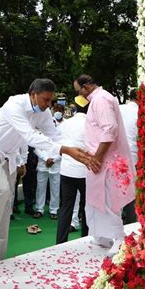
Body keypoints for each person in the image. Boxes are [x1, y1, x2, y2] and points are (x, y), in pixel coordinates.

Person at [0, 77, 97, 260]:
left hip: (8, 154)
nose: (48, 105)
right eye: (45, 100)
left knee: (7, 202)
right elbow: (30, 137)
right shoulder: (13, 104)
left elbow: (55, 135)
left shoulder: (44, 112)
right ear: (33, 94)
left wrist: (76, 151)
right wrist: (66, 150)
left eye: (50, 101)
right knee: (2, 190)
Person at [74, 74, 135, 256]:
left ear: (86, 87)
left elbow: (110, 130)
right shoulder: (99, 99)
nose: (79, 97)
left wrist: (98, 157)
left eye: (78, 92)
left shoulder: (101, 99)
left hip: (106, 161)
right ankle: (103, 235)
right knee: (95, 200)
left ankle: (119, 238)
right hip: (99, 160)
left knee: (108, 200)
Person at [56, 95, 89, 243]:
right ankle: (86, 239)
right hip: (85, 172)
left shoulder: (65, 124)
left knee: (66, 207)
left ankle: (60, 241)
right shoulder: (91, 125)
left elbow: (58, 143)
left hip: (67, 171)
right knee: (87, 207)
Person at [119, 88, 138, 225]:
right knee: (131, 194)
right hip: (132, 155)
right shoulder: (140, 112)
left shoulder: (120, 109)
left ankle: (115, 224)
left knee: (117, 192)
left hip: (116, 155)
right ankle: (130, 225)